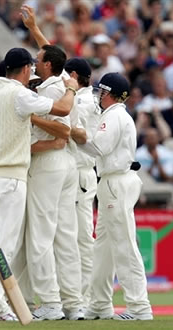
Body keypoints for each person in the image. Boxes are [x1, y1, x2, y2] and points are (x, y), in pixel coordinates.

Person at [0, 46, 78, 321]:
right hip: (11, 179)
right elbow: (63, 108)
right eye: (31, 67)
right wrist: (72, 87)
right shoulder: (21, 96)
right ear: (26, 69)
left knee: (2, 243)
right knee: (4, 247)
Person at [22, 5, 84, 320]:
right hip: (66, 164)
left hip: (48, 161)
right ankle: (74, 302)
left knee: (41, 235)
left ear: (46, 66)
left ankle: (50, 302)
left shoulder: (49, 89)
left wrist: (27, 115)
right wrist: (34, 29)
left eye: (37, 61)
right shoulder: (61, 82)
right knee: (65, 235)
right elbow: (51, 55)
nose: (34, 63)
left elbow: (62, 126)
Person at [76, 72, 153, 321]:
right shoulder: (116, 114)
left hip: (115, 183)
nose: (98, 96)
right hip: (113, 181)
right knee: (104, 248)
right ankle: (99, 304)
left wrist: (74, 134)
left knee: (124, 245)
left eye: (100, 92)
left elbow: (99, 147)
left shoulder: (115, 115)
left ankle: (139, 307)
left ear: (108, 93)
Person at [65, 57, 100, 310]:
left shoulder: (84, 101)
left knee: (82, 238)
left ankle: (85, 299)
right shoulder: (80, 97)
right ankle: (72, 296)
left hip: (81, 173)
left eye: (66, 76)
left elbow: (78, 133)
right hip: (73, 173)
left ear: (74, 76)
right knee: (69, 237)